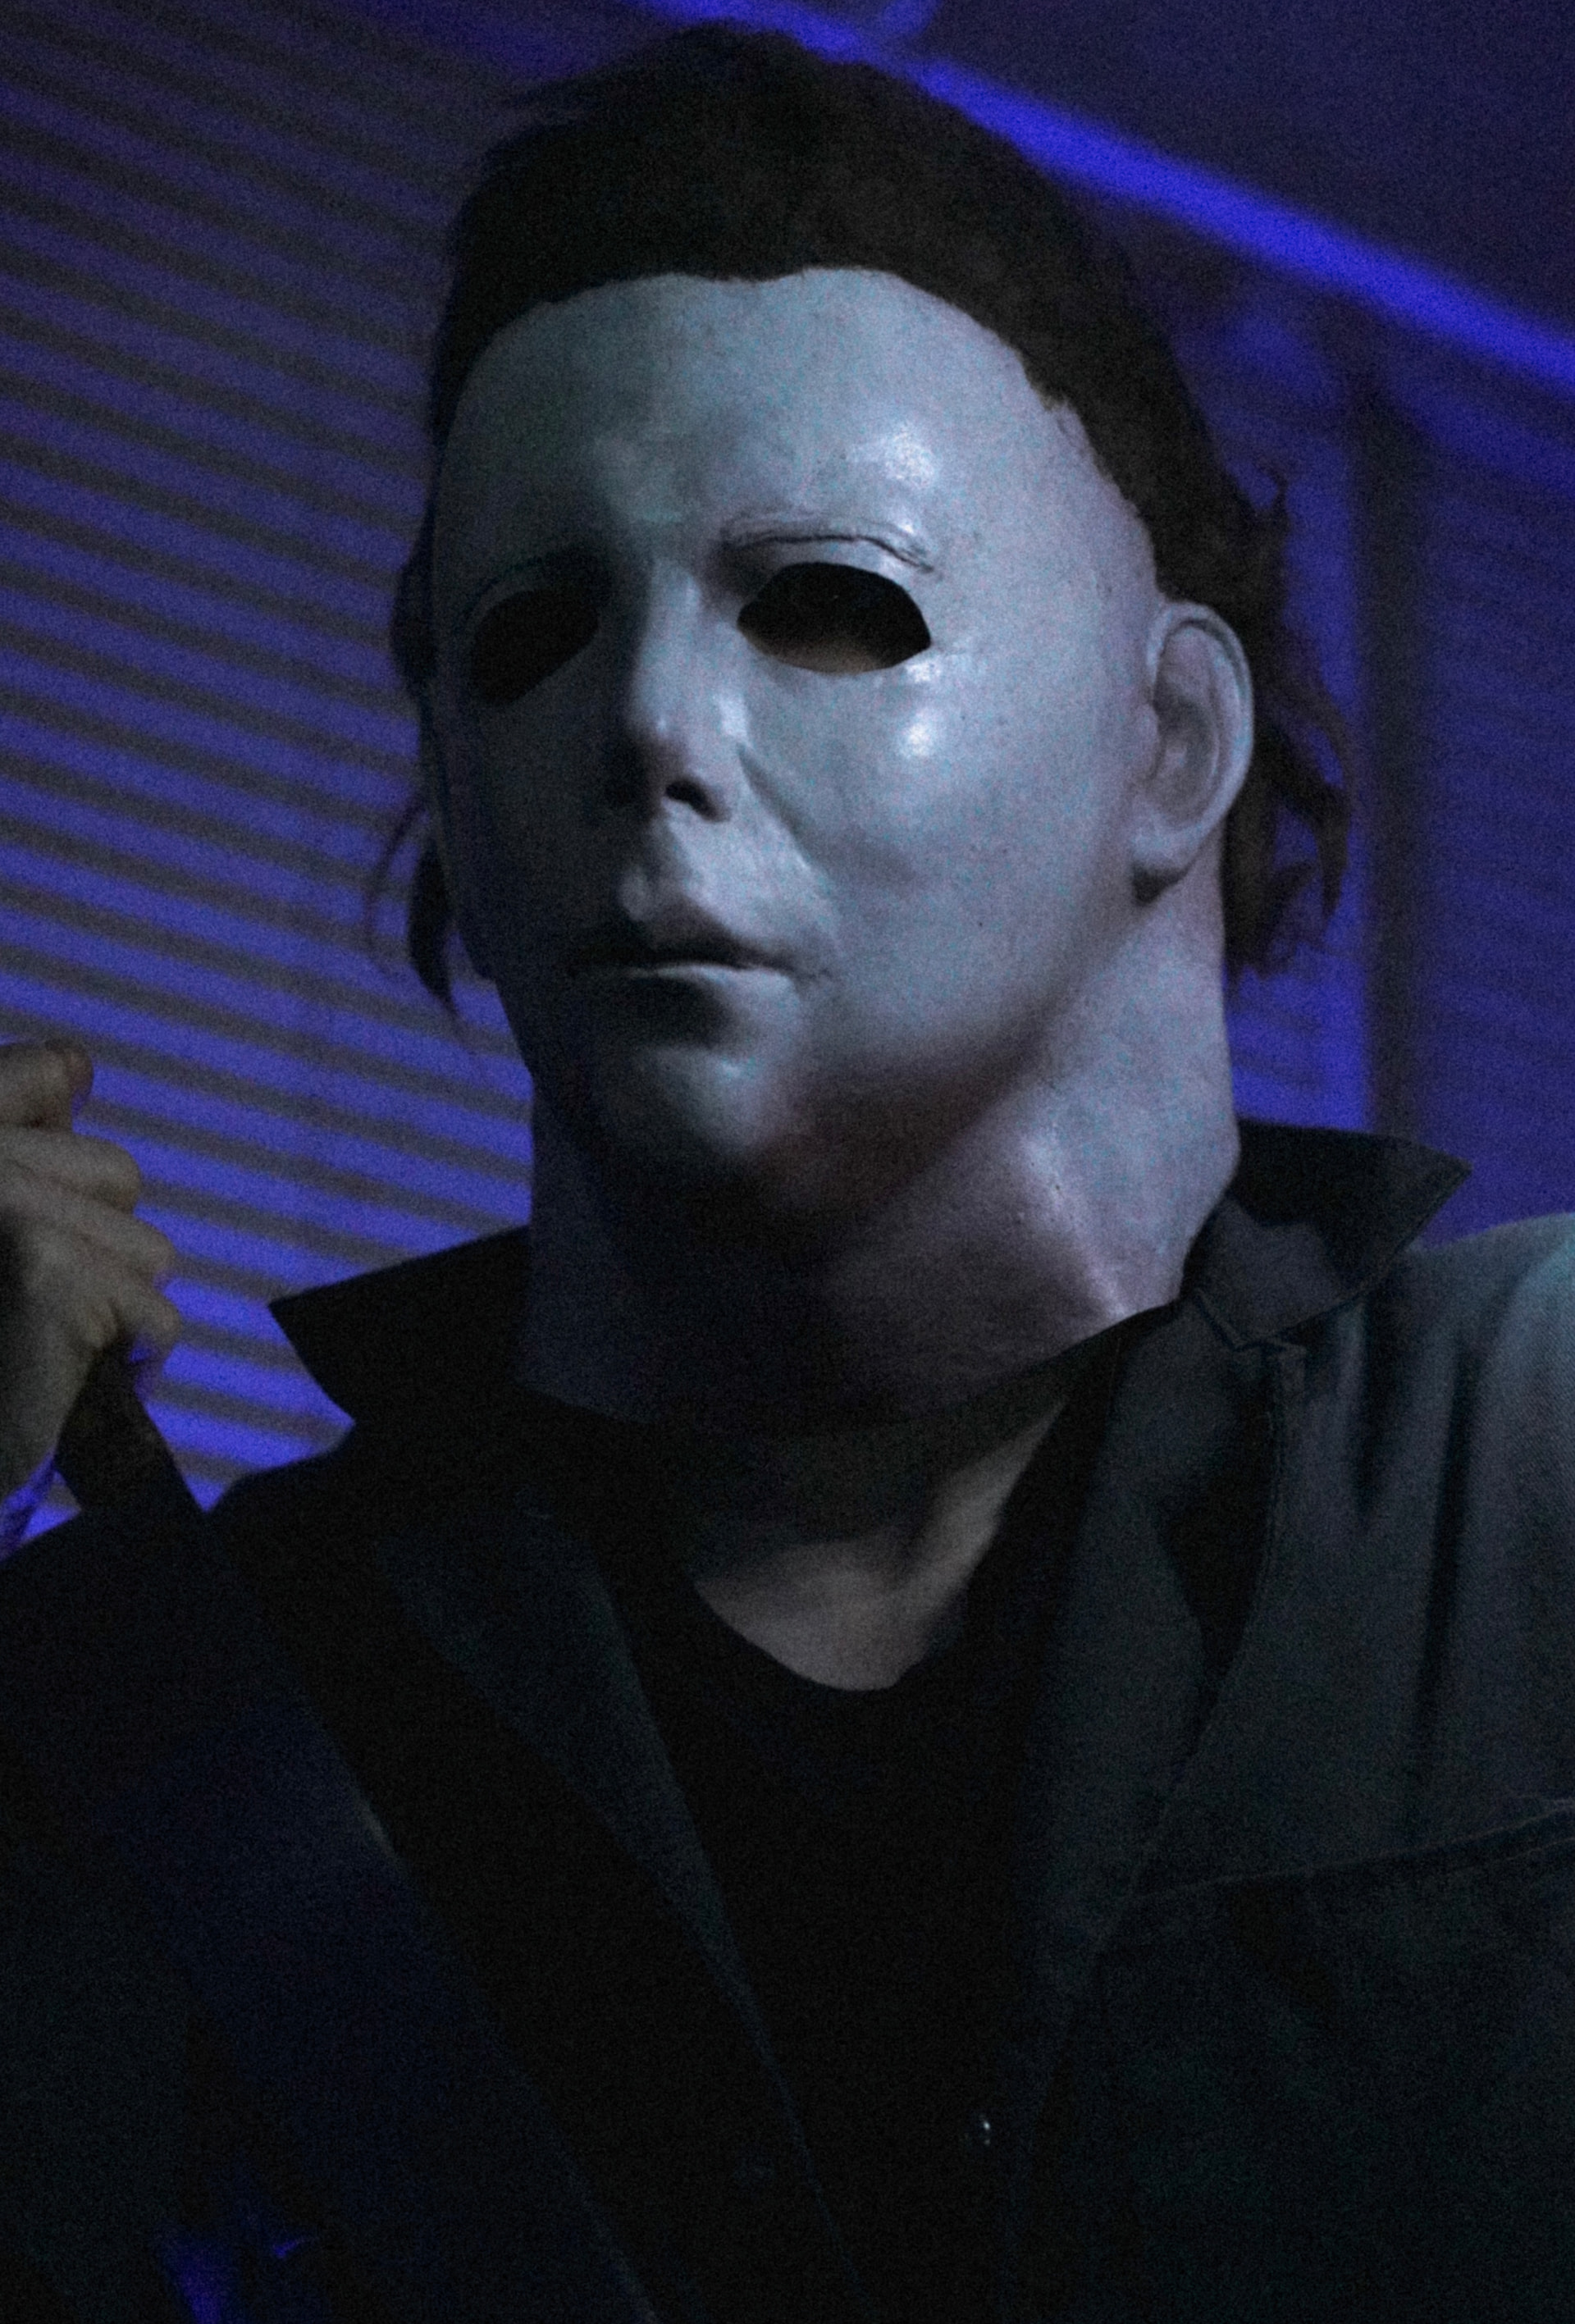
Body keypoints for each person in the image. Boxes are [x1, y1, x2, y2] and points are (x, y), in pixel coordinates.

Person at [3, 23, 1575, 2324]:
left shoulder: (1530, 1475)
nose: (648, 724)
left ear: (1169, 741)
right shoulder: (190, 1719)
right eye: (531, 634)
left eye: (833, 602)